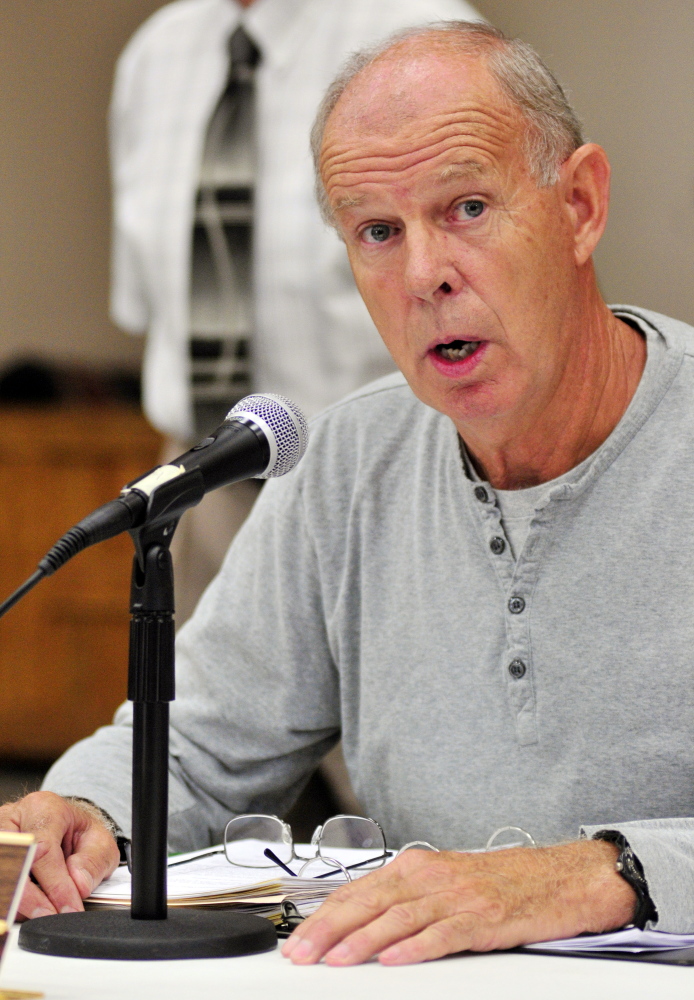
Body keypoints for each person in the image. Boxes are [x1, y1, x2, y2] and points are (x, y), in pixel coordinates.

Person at [4, 20, 694, 965]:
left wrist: (598, 873)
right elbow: (194, 746)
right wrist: (81, 810)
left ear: (579, 205)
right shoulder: (350, 461)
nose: (424, 275)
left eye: (467, 210)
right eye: (378, 232)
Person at [109, 0, 481, 625]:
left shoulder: (429, 34)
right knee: (189, 719)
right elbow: (145, 308)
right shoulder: (153, 56)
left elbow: (480, 292)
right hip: (202, 503)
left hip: (389, 491)